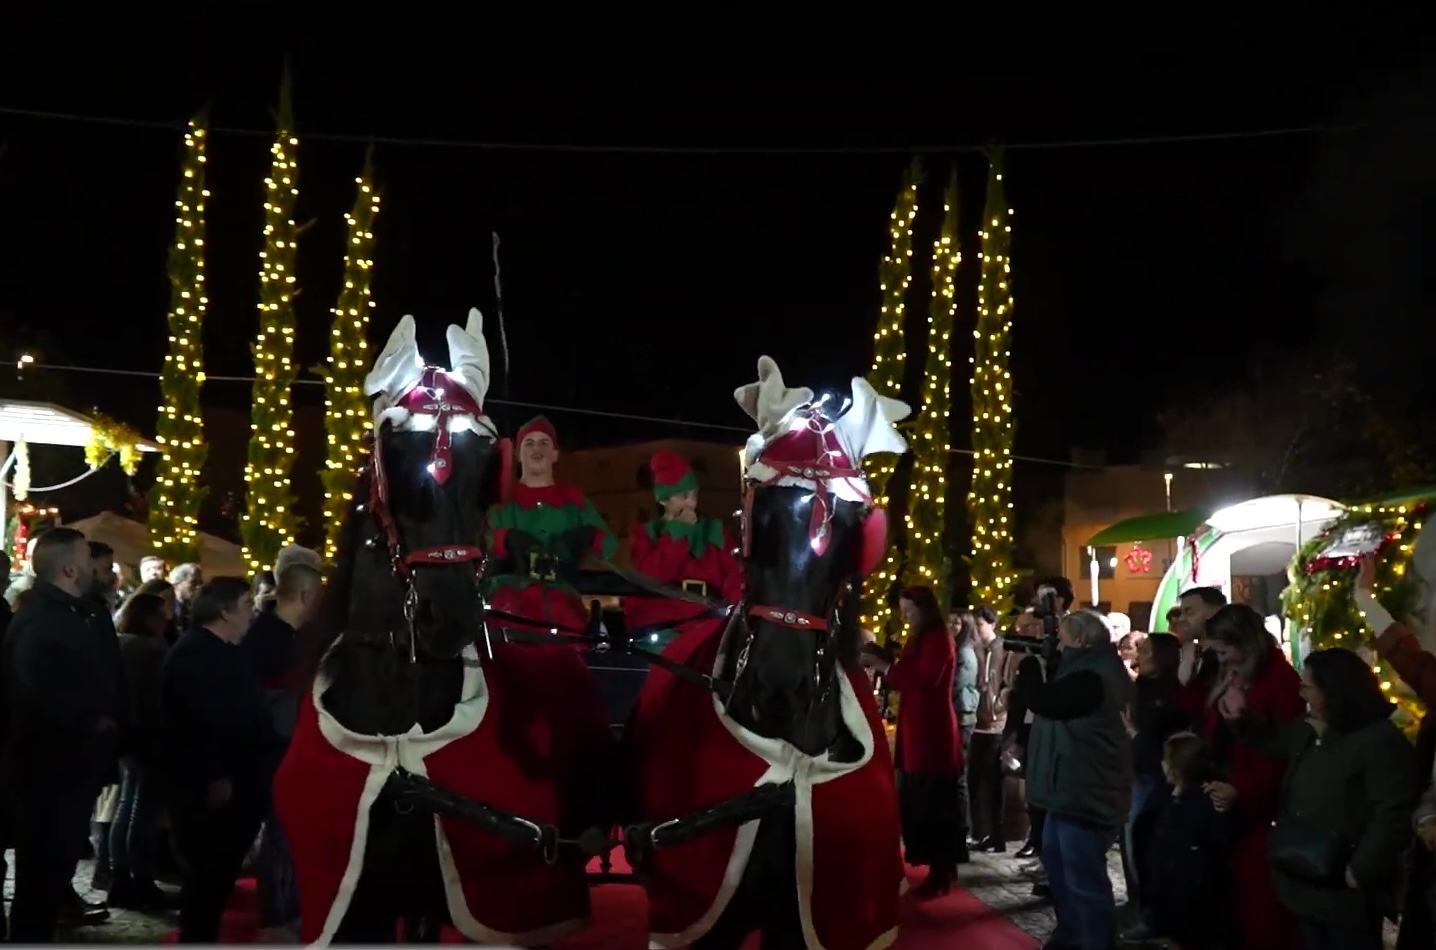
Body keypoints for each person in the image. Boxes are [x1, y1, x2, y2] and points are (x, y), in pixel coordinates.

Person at [1220, 647, 1417, 950]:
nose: (1302, 695)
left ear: (1334, 691)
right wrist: (1242, 719)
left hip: (1346, 890)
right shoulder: (1312, 730)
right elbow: (1276, 744)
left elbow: (1393, 813)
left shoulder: (1380, 742)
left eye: (1308, 687)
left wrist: (1360, 870)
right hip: (1307, 881)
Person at [3, 527, 120, 939]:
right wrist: (91, 720)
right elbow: (35, 694)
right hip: (48, 773)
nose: (94, 567)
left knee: (50, 878)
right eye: (89, 558)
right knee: (40, 880)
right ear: (70, 568)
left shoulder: (71, 613)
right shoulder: (41, 620)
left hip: (68, 769)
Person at [160, 576, 281, 943]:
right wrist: (217, 775)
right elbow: (201, 723)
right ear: (225, 611)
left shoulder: (223, 650)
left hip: (238, 779)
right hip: (214, 787)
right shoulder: (197, 653)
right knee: (208, 874)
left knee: (218, 876)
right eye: (246, 606)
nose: (251, 615)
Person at [1193, 604, 1306, 950]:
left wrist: (1242, 792)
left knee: (1258, 906)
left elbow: (1282, 753)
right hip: (1224, 795)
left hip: (1257, 810)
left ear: (1246, 644)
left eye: (1224, 651)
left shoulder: (1279, 682)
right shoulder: (1234, 674)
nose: (1222, 660)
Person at [1020, 607, 1133, 950]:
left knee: (1084, 880)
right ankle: (1070, 936)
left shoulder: (1092, 677)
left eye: (1062, 639)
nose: (1056, 646)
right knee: (1059, 869)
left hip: (1086, 792)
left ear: (1081, 640)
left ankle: (1094, 942)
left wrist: (1029, 667)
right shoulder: (1086, 669)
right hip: (1069, 790)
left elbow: (1047, 702)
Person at [862, 586, 966, 895]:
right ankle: (936, 866)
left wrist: (887, 668)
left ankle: (942, 869)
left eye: (911, 611)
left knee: (936, 803)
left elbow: (924, 679)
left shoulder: (937, 639)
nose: (906, 617)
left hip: (932, 733)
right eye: (904, 611)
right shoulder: (920, 637)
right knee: (923, 801)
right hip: (918, 728)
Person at [241, 560, 322, 942]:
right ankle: (275, 914)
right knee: (278, 835)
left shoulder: (284, 634)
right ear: (306, 595)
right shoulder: (270, 638)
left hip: (281, 747)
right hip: (270, 751)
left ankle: (285, 907)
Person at [485, 416, 616, 638]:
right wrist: (505, 539)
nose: (537, 449)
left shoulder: (573, 500)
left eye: (544, 443)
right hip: (511, 608)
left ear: (555, 454)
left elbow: (610, 546)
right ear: (518, 454)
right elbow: (481, 540)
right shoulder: (502, 501)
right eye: (529, 443)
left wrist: (588, 536)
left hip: (563, 609)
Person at [626, 451, 741, 649]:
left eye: (694, 495)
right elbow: (653, 576)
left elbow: (734, 579)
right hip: (662, 628)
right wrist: (678, 532)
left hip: (707, 625)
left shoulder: (715, 532)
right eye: (683, 496)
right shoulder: (645, 534)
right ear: (663, 500)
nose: (691, 503)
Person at [1119, 633, 1188, 942]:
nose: (1139, 656)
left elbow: (1158, 738)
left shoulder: (1170, 693)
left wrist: (1136, 736)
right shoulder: (1140, 689)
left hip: (1155, 777)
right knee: (1135, 846)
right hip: (1138, 773)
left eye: (1146, 651)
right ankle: (1143, 908)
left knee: (1146, 846)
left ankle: (1153, 917)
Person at [108, 593, 172, 910]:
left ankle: (120, 875)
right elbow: (157, 700)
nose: (167, 619)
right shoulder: (150, 649)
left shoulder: (121, 643)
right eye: (161, 613)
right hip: (148, 738)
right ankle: (140, 879)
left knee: (127, 806)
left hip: (126, 737)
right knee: (141, 814)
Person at [1145, 731, 1234, 949]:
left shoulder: (1191, 806)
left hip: (1189, 897)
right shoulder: (1182, 799)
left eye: (1166, 760)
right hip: (1181, 893)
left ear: (1177, 771)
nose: (1162, 764)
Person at [967, 604, 1009, 853]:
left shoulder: (1001, 649)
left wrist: (998, 706)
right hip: (978, 722)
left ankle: (995, 833)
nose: (978, 631)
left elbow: (1002, 681)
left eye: (981, 625)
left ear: (992, 624)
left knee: (992, 781)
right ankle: (981, 832)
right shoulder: (975, 648)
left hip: (995, 723)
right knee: (976, 779)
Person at [948, 610, 979, 842]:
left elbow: (958, 683)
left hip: (963, 716)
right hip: (957, 713)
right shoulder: (955, 649)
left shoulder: (965, 653)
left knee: (960, 775)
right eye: (948, 621)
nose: (951, 626)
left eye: (956, 622)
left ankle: (963, 829)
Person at [167, 563, 204, 643]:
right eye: (193, 582)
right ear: (177, 583)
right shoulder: (168, 608)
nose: (198, 586)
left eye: (200, 582)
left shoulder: (198, 609)